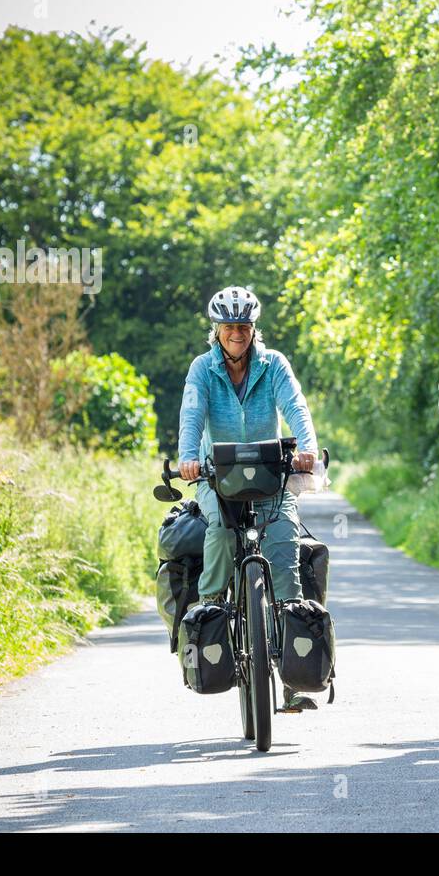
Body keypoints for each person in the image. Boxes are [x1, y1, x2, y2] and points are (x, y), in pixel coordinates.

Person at [177, 286, 320, 709]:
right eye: (229, 327)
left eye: (243, 326)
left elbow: (296, 406)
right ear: (216, 330)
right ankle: (209, 617)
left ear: (253, 329)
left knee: (283, 547)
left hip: (271, 475)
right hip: (217, 476)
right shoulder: (203, 369)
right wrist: (187, 457)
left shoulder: (273, 364)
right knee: (220, 532)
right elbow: (192, 414)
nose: (237, 333)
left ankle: (293, 676)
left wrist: (307, 448)